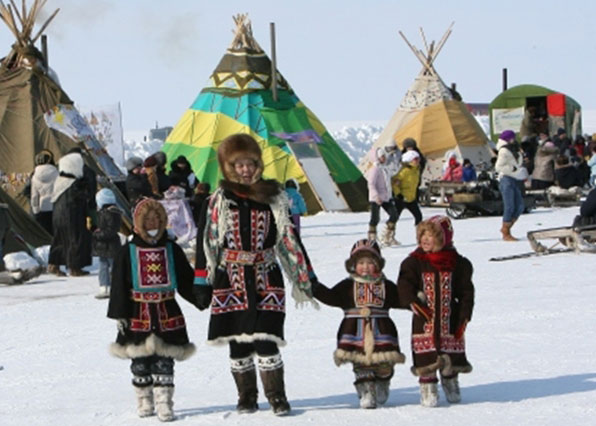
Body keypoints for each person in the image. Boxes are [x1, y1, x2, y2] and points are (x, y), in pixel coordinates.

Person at [193, 133, 317, 416]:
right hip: (230, 278)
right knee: (238, 341)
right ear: (229, 168)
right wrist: (201, 281)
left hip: (266, 276)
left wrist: (305, 276)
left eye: (250, 164)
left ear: (258, 165)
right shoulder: (218, 200)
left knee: (266, 338)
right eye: (239, 165)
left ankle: (277, 396)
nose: (246, 170)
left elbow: (289, 239)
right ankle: (246, 396)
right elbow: (206, 242)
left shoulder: (274, 198)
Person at [107, 198, 202, 422]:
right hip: (136, 312)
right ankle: (144, 400)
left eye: (157, 219)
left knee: (165, 361)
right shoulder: (128, 251)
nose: (153, 223)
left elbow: (186, 279)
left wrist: (202, 296)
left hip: (166, 311)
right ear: (139, 223)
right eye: (148, 219)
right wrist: (120, 313)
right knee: (140, 363)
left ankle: (164, 402)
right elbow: (119, 284)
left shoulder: (171, 249)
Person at [312, 239, 405, 409]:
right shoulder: (347, 285)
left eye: (370, 263)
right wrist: (314, 287)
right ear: (353, 265)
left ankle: (383, 380)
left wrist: (418, 299)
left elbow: (402, 299)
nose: (365, 267)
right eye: (360, 263)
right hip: (354, 330)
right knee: (361, 364)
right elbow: (331, 297)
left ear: (378, 264)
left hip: (382, 330)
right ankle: (366, 392)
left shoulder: (386, 285)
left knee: (384, 363)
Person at [397, 215, 474, 407]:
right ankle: (428, 386)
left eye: (430, 236)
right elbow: (404, 285)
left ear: (443, 239)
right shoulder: (414, 262)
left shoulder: (458, 264)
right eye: (422, 235)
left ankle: (450, 380)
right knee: (426, 356)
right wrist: (413, 302)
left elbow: (466, 292)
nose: (425, 239)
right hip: (425, 319)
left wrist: (464, 315)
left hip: (450, 319)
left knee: (450, 355)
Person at [48, 152, 92, 276]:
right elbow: (83, 196)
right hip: (72, 216)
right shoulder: (74, 184)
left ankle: (54, 264)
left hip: (58, 215)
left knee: (59, 239)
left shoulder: (60, 181)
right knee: (75, 240)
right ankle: (75, 267)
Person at [495, 130, 526, 241]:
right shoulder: (504, 150)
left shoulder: (513, 148)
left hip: (514, 178)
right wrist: (512, 169)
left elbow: (517, 162)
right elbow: (498, 167)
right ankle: (506, 232)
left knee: (520, 206)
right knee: (509, 206)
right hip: (506, 179)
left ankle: (507, 227)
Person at [92, 188, 122, 299]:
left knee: (111, 267)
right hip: (105, 246)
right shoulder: (109, 212)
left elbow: (110, 230)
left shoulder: (109, 213)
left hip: (109, 245)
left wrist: (97, 234)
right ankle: (105, 286)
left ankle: (112, 287)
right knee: (104, 266)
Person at [367, 148, 398, 244]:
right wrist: (376, 196)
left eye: (384, 156)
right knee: (375, 218)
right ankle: (372, 238)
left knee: (394, 215)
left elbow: (386, 181)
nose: (384, 158)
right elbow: (371, 184)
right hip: (376, 198)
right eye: (382, 156)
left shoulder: (384, 168)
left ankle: (388, 235)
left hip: (386, 197)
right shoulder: (374, 169)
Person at [391, 150, 423, 230]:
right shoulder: (404, 171)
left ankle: (419, 232)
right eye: (415, 159)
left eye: (418, 159)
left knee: (418, 216)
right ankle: (388, 233)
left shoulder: (417, 170)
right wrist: (398, 194)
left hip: (411, 198)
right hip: (401, 198)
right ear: (410, 160)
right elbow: (395, 183)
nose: (418, 161)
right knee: (394, 217)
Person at [30, 150, 58, 235]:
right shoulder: (57, 173)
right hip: (56, 207)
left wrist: (36, 211)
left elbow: (34, 196)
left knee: (46, 234)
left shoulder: (34, 176)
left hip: (43, 208)